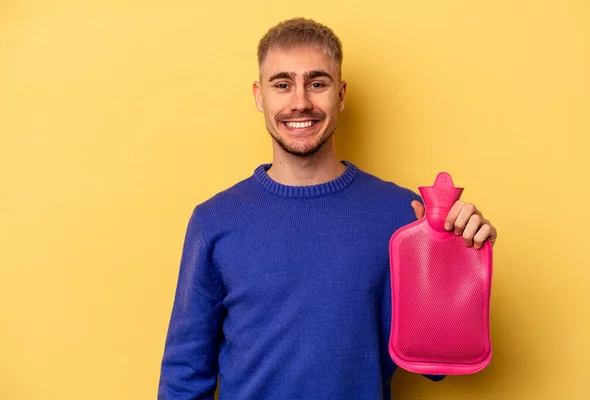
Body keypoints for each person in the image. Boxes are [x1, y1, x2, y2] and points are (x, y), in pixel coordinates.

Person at [158, 17, 498, 400]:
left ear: (340, 94)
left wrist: (456, 256)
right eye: (282, 84)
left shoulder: (402, 215)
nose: (300, 101)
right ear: (259, 96)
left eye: (317, 83)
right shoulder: (214, 221)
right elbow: (185, 375)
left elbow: (434, 365)